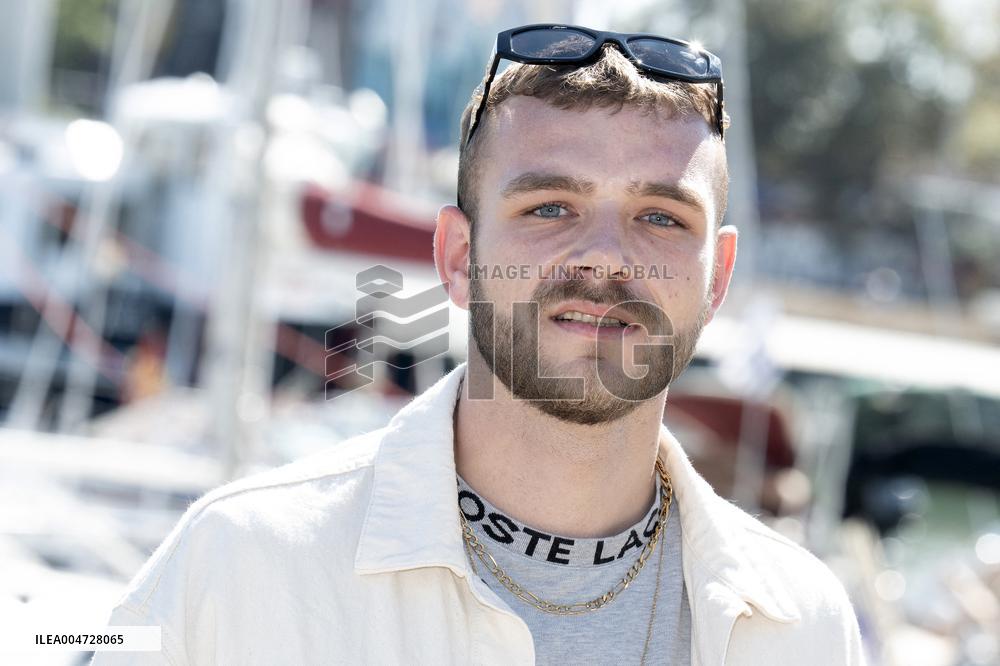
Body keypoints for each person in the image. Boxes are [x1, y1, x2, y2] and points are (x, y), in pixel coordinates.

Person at [94, 25, 865, 665]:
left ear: (717, 276)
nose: (604, 257)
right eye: (550, 207)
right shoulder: (241, 562)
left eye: (661, 217)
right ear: (457, 257)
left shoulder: (803, 626)